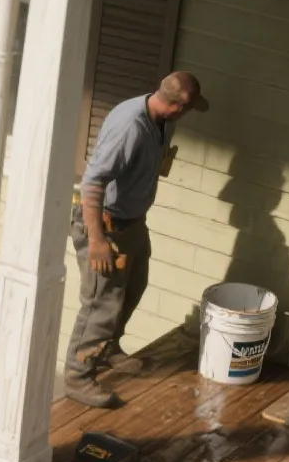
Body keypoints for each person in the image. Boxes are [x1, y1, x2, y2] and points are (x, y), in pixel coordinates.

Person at [61, 71, 209, 409]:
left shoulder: (159, 121)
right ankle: (77, 376)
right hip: (105, 225)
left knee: (134, 286)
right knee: (101, 303)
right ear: (176, 107)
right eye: (188, 110)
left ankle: (108, 347)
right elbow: (93, 183)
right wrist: (97, 240)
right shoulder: (130, 126)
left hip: (132, 224)